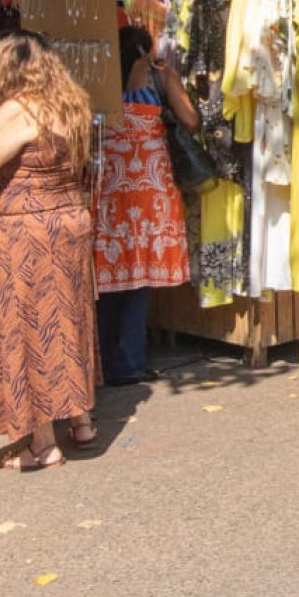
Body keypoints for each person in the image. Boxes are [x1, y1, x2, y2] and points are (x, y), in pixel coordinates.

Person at [0, 31, 99, 469]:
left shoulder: (19, 111)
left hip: (28, 233)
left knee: (32, 331)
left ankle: (42, 443)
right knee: (69, 321)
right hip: (70, 223)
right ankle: (82, 420)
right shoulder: (72, 106)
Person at [93, 24, 198, 386]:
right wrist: (169, 76)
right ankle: (127, 362)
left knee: (109, 278)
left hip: (109, 193)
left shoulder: (98, 87)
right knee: (138, 281)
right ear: (142, 51)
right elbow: (190, 120)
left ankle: (106, 360)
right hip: (149, 192)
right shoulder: (155, 81)